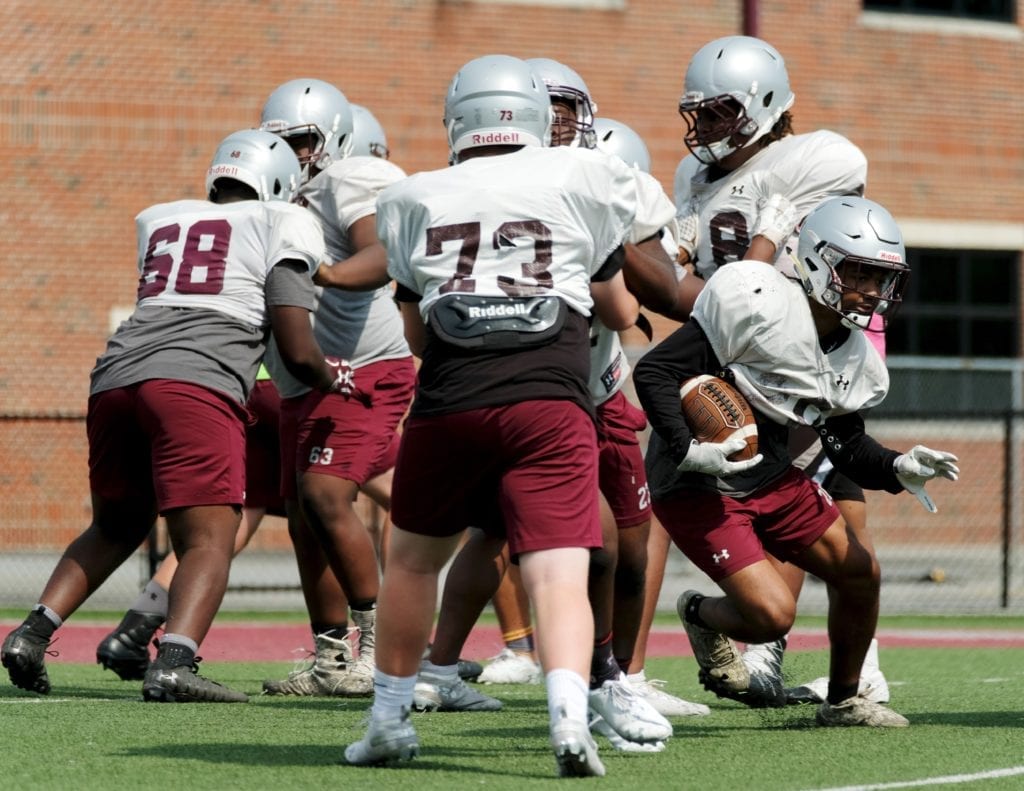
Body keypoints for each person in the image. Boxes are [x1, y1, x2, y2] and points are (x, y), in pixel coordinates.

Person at [343, 53, 653, 777]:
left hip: (450, 399)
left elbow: (417, 334)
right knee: (556, 572)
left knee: (414, 563)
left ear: (459, 119)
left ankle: (388, 715)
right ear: (541, 118)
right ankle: (570, 716)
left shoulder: (412, 196)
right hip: (550, 395)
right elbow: (619, 307)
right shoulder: (584, 176)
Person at [1, 129, 343, 702]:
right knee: (210, 538)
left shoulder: (162, 218)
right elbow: (295, 342)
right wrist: (333, 378)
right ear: (280, 182)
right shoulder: (282, 220)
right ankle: (175, 661)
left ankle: (30, 635)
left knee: (115, 524)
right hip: (195, 380)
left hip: (116, 375)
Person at [412, 63, 683, 752]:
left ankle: (608, 674)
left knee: (611, 543)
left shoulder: (598, 175)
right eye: (546, 108)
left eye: (567, 108)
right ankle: (600, 679)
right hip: (540, 390)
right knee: (576, 541)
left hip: (580, 385)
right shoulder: (500, 184)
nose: (557, 122)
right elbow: (626, 306)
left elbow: (638, 302)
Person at [633, 195, 959, 727]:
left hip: (770, 471)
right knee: (770, 617)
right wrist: (688, 447)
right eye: (861, 273)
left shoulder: (856, 355)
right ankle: (699, 612)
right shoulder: (756, 299)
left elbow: (844, 444)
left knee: (859, 572)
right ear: (817, 260)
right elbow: (656, 373)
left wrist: (898, 467)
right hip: (695, 478)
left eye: (882, 279)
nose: (874, 291)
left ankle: (845, 700)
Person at [665, 33, 891, 706]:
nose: (702, 127)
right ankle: (829, 655)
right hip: (739, 357)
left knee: (813, 492)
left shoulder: (811, 157)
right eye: (697, 112)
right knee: (825, 500)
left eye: (718, 111)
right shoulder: (692, 179)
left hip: (809, 353)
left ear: (764, 105)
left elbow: (830, 234)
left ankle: (780, 651)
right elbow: (703, 277)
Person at [257, 78, 416, 697]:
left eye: (301, 141)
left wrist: (324, 270)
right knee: (303, 516)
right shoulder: (284, 201)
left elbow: (381, 251)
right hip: (306, 377)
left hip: (363, 366)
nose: (292, 155)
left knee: (325, 495)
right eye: (281, 143)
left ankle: (381, 648)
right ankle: (331, 661)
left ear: (333, 139)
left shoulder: (349, 178)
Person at [95, 363, 284, 681]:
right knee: (331, 498)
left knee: (246, 509)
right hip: (278, 381)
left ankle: (134, 630)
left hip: (235, 383)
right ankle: (342, 644)